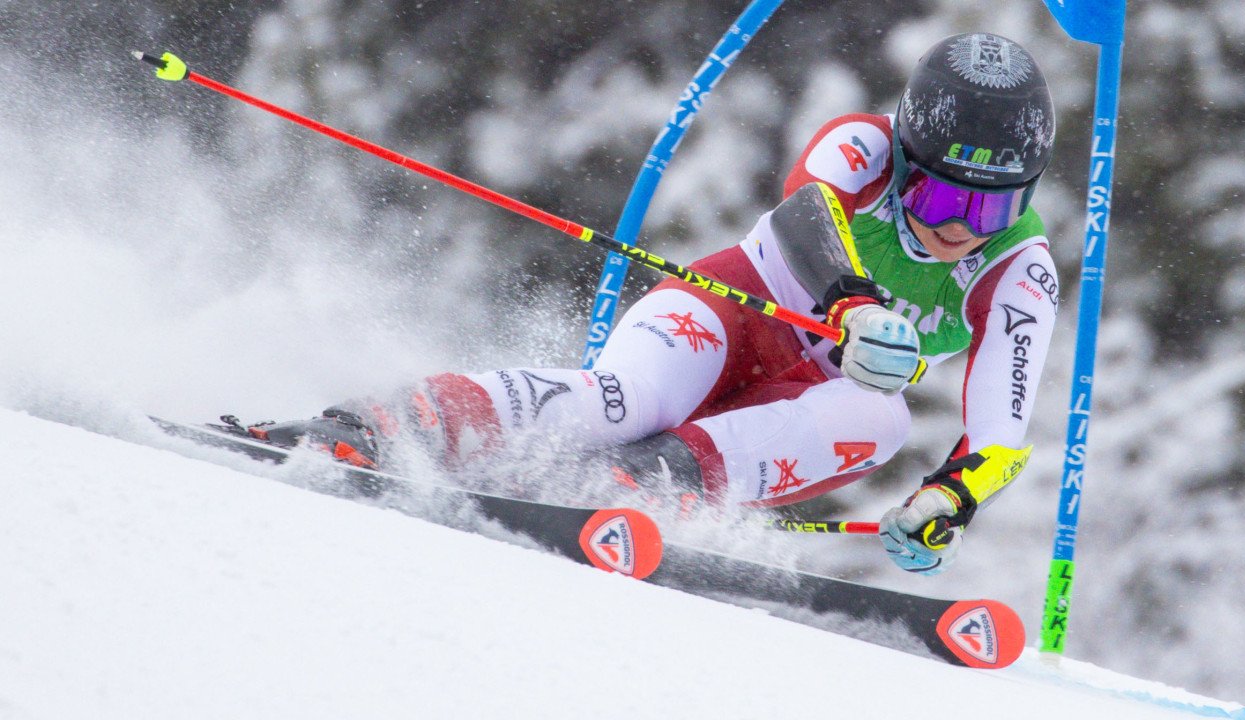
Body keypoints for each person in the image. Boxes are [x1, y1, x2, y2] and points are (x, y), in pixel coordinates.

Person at [240, 32, 1059, 576]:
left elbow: (1001, 432)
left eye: (990, 207)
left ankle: (641, 485)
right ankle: (391, 424)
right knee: (628, 399)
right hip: (733, 312)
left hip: (804, 403)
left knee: (881, 418)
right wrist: (850, 303)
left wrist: (950, 500)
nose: (960, 227)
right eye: (941, 197)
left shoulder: (1018, 269)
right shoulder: (864, 144)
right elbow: (805, 208)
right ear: (907, 158)